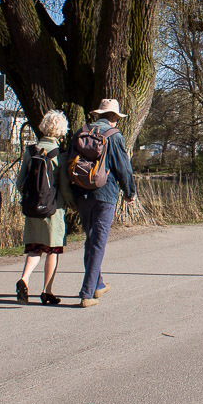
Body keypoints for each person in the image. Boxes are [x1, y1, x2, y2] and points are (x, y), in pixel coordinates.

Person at [67, 99, 136, 308]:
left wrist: (71, 193)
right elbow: (123, 167)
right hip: (105, 194)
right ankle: (87, 293)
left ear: (98, 114)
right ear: (114, 117)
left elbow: (68, 162)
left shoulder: (81, 132)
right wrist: (129, 192)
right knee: (98, 242)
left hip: (82, 192)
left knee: (90, 239)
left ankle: (98, 284)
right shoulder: (114, 136)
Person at [16, 110, 75, 305]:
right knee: (52, 250)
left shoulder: (30, 150)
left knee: (34, 249)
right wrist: (72, 205)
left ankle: (24, 279)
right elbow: (65, 188)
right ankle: (46, 291)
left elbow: (19, 183)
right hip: (53, 209)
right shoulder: (59, 154)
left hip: (33, 208)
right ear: (60, 130)